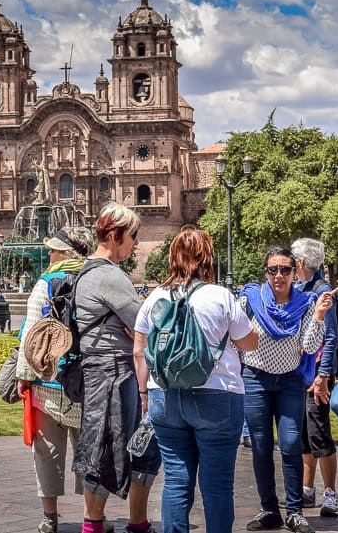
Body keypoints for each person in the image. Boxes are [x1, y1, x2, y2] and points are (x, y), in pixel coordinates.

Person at [133, 226, 259, 533]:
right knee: (217, 485)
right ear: (207, 258)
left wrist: (144, 395)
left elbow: (139, 351)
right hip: (219, 395)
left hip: (165, 396)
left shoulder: (155, 298)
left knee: (176, 480)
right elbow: (249, 343)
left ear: (172, 257)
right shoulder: (220, 296)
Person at [240, 247, 332, 533]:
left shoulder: (305, 303)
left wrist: (318, 316)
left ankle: (294, 510)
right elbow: (235, 338)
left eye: (285, 270)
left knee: (291, 443)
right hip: (255, 379)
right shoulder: (251, 301)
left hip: (290, 381)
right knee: (261, 445)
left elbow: (312, 344)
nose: (279, 275)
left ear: (294, 272)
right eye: (273, 270)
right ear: (265, 272)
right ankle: (269, 509)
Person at [72, 202, 144, 533]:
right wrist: (135, 330)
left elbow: (135, 325)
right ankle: (93, 524)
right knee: (106, 447)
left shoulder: (87, 270)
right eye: (133, 235)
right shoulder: (110, 276)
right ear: (114, 236)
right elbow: (144, 323)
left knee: (99, 443)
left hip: (97, 368)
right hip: (113, 369)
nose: (136, 242)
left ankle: (94, 522)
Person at [16, 227, 94, 533]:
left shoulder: (45, 283)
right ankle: (92, 517)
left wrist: (24, 376)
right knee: (89, 451)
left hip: (48, 383)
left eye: (54, 250)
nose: (49, 254)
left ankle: (49, 517)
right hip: (86, 382)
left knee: (47, 450)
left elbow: (31, 335)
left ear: (65, 254)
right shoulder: (95, 279)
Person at [290, 238, 338, 517]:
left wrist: (323, 376)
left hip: (316, 374)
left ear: (300, 262)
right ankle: (307, 488)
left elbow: (331, 337)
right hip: (302, 372)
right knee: (303, 435)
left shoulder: (321, 291)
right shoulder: (302, 289)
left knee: (319, 432)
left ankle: (330, 492)